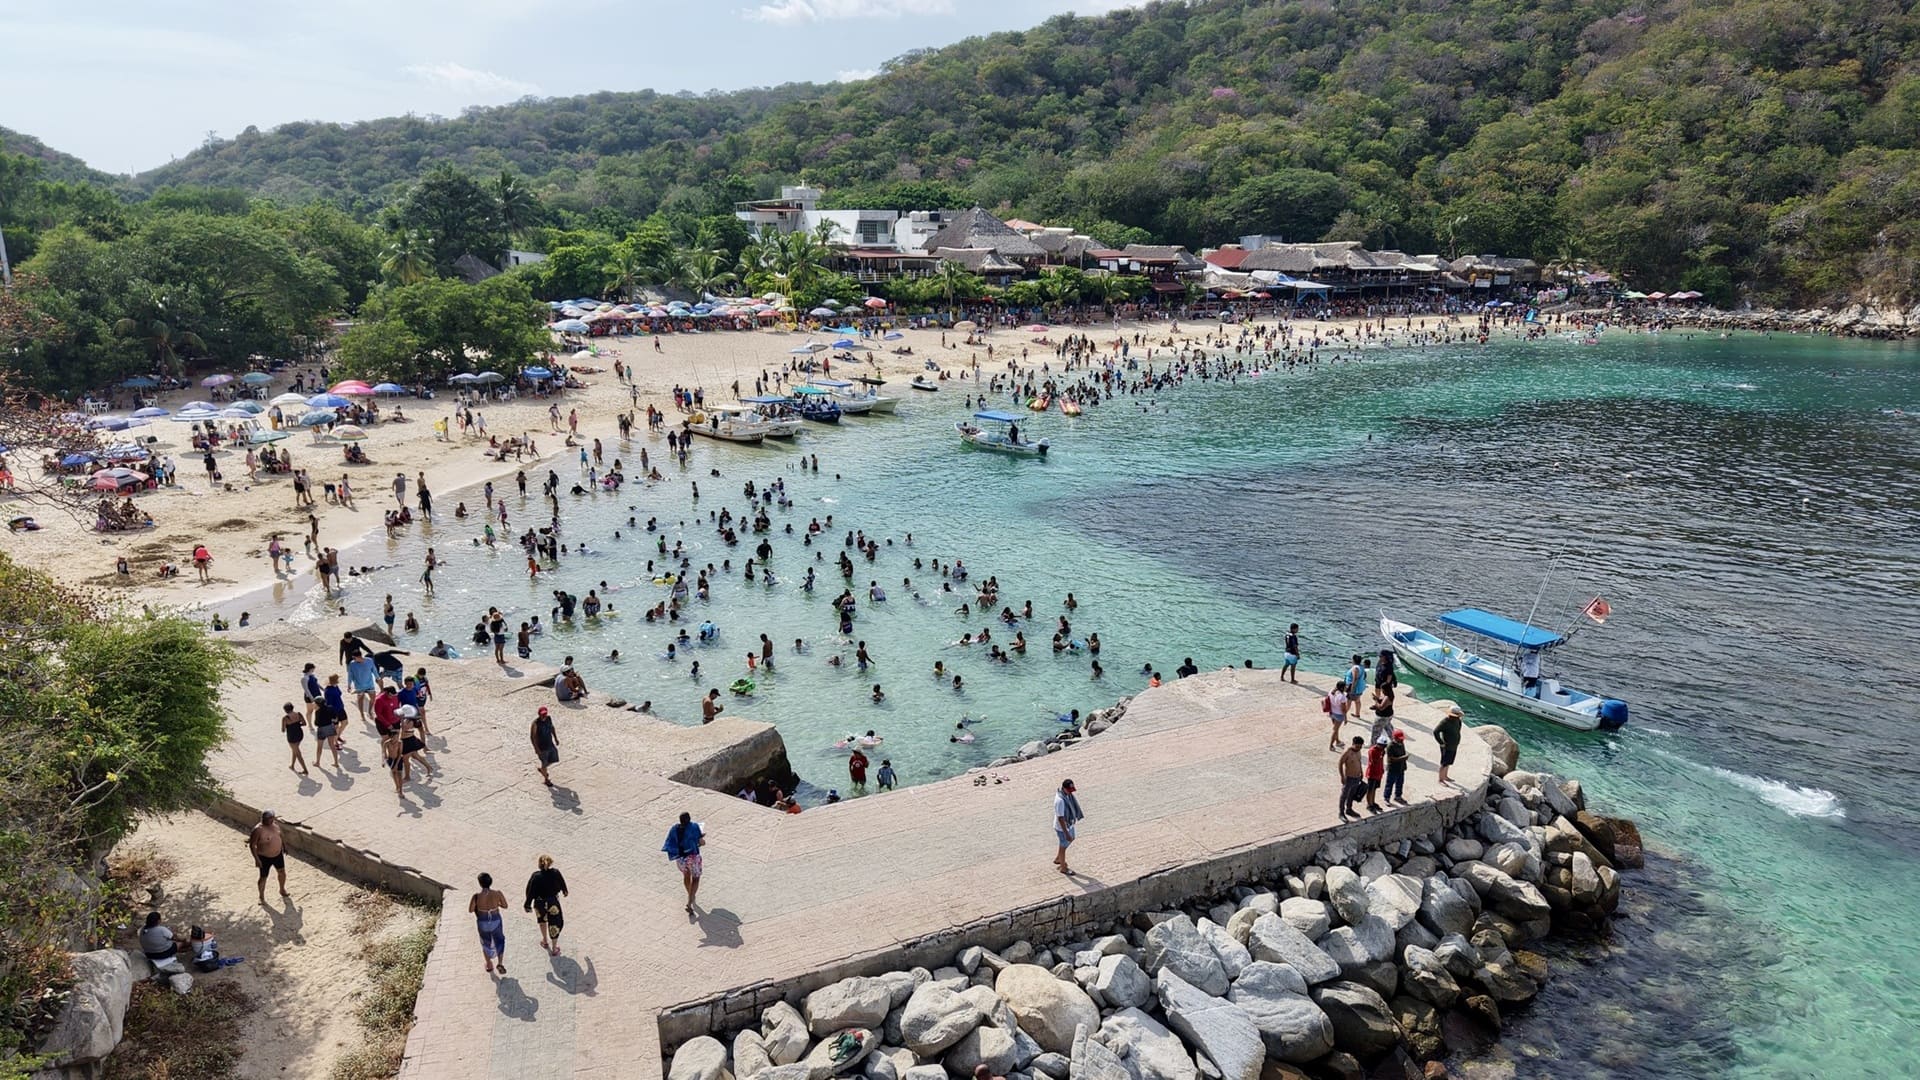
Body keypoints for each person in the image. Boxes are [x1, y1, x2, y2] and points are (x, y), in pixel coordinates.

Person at [524, 855, 569, 956]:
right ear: (551, 863)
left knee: (542, 921)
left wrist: (527, 905)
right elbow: (562, 883)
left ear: (539, 864)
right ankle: (554, 948)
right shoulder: (556, 873)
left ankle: (544, 940)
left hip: (539, 903)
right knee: (555, 923)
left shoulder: (535, 876)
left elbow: (530, 891)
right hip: (553, 902)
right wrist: (565, 891)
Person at [663, 811, 706, 913]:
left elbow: (671, 842)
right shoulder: (695, 826)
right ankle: (690, 901)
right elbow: (701, 842)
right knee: (695, 878)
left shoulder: (674, 828)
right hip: (693, 857)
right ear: (689, 819)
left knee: (686, 876)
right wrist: (701, 839)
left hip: (681, 858)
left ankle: (690, 895)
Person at [470, 873, 509, 975]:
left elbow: (470, 910)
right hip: (496, 920)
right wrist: (497, 905)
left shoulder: (476, 896)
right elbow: (505, 906)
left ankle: (489, 964)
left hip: (483, 922)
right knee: (500, 941)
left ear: (480, 884)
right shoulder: (497, 893)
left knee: (485, 943)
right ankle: (500, 963)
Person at [248, 809, 289, 902]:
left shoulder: (275, 825)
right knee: (263, 877)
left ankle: (282, 889)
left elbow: (280, 835)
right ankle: (261, 897)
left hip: (278, 854)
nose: (270, 820)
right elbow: (252, 845)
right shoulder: (258, 830)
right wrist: (257, 859)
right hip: (264, 857)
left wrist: (284, 846)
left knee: (282, 872)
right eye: (268, 818)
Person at [1053, 779, 1084, 875]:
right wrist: (1066, 833)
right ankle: (1063, 868)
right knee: (1064, 846)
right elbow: (1060, 818)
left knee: (1071, 839)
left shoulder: (1067, 795)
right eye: (1069, 790)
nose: (1071, 793)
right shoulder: (1060, 801)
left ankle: (1058, 858)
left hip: (1069, 823)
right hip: (1062, 828)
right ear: (1064, 788)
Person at [1338, 736, 1367, 820]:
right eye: (1357, 746)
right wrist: (1342, 776)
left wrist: (1361, 772)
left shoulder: (1358, 751)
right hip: (1349, 777)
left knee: (1352, 794)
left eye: (1360, 747)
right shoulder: (1347, 752)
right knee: (1344, 795)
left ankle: (1349, 809)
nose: (1359, 748)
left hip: (1357, 777)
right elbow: (1340, 763)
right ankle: (1341, 812)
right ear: (1353, 744)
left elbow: (1359, 761)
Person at [1434, 705, 1463, 786]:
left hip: (1454, 745)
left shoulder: (1458, 721)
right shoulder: (1445, 722)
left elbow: (1458, 729)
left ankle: (1445, 776)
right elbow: (1435, 732)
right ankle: (1440, 779)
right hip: (1446, 746)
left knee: (1449, 762)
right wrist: (1441, 742)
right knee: (1444, 762)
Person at [530, 706, 560, 786]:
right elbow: (533, 737)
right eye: (542, 715)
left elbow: (552, 727)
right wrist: (536, 749)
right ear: (539, 715)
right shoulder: (536, 723)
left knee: (554, 759)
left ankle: (543, 770)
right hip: (542, 747)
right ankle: (546, 779)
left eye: (545, 714)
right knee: (544, 762)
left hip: (550, 744)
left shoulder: (549, 719)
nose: (544, 716)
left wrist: (556, 738)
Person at [280, 702, 309, 776]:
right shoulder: (299, 714)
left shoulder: (285, 718)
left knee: (298, 754)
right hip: (299, 735)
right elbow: (304, 723)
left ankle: (305, 770)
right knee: (295, 750)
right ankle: (292, 765)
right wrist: (298, 725)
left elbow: (283, 730)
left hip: (292, 737)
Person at [1383, 730, 1409, 805]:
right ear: (1395, 738)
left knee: (1400, 783)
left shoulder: (1401, 744)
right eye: (1400, 738)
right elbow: (1391, 759)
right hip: (1393, 768)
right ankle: (1386, 798)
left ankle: (1398, 796)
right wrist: (1403, 758)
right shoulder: (1390, 746)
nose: (1402, 740)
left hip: (1401, 768)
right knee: (1389, 784)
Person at [1364, 736, 1387, 813]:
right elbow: (1374, 762)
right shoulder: (1372, 750)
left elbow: (1380, 761)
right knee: (1370, 789)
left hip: (1378, 773)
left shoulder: (1381, 751)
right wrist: (1381, 755)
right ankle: (1369, 804)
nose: (1383, 748)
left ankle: (1372, 802)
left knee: (1375, 789)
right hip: (1372, 773)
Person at [1325, 680, 1349, 751]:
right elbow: (1343, 709)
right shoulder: (1342, 697)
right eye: (1345, 686)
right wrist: (1345, 718)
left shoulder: (1331, 692)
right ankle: (1331, 745)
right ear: (1342, 688)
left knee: (1336, 728)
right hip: (1339, 715)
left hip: (1332, 712)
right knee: (1335, 730)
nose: (1346, 687)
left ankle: (1337, 741)